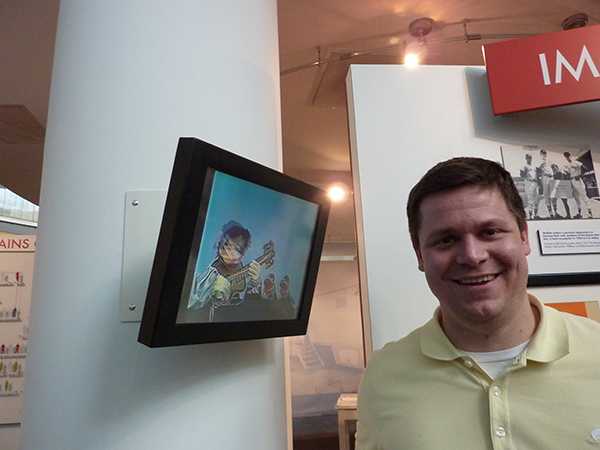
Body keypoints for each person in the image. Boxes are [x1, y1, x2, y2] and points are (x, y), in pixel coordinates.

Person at [355, 157, 600, 450]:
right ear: (420, 255)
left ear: (523, 236)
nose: (472, 255)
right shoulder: (383, 376)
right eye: (446, 240)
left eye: (490, 232)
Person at [186, 221, 262, 322]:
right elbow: (190, 302)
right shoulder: (208, 271)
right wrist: (210, 292)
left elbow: (251, 296)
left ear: (242, 254)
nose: (227, 248)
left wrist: (256, 281)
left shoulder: (244, 270)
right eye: (226, 243)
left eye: (236, 248)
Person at [563, 151, 594, 219]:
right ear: (565, 157)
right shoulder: (567, 164)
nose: (567, 157)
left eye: (568, 155)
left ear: (570, 155)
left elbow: (585, 168)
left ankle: (590, 213)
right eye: (566, 156)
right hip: (572, 181)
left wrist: (580, 175)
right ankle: (579, 214)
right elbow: (567, 173)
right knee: (576, 198)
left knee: (584, 196)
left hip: (577, 180)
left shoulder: (575, 162)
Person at [535, 149, 557, 218]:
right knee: (546, 196)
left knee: (553, 195)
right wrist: (539, 182)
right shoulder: (538, 161)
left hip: (551, 178)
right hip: (544, 178)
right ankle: (551, 214)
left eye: (545, 153)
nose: (544, 154)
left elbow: (555, 167)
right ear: (540, 154)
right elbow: (537, 172)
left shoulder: (549, 160)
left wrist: (554, 174)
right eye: (542, 153)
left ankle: (556, 213)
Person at [519, 153, 538, 219]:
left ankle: (535, 215)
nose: (529, 158)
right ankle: (530, 216)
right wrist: (525, 173)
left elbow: (537, 174)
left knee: (536, 199)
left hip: (535, 183)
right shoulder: (524, 166)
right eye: (528, 157)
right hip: (529, 183)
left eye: (530, 157)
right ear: (526, 158)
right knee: (530, 200)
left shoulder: (534, 166)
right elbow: (521, 175)